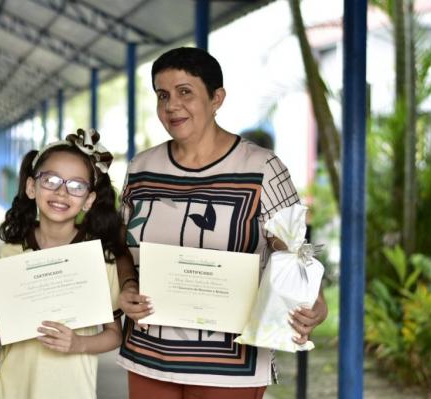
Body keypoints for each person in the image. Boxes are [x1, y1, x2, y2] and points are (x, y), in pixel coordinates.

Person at [116, 47, 328, 398]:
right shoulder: (142, 168)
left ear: (217, 98)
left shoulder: (262, 167)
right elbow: (122, 245)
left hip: (231, 363)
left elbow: (294, 251)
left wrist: (314, 300)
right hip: (148, 351)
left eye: (186, 92)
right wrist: (126, 284)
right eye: (162, 95)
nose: (172, 106)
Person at [0, 129, 126, 399]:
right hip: (11, 388)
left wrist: (79, 343)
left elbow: (114, 335)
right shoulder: (11, 251)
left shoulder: (100, 259)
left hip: (71, 390)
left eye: (76, 185)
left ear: (89, 199)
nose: (62, 192)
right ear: (31, 187)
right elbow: (14, 317)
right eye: (51, 180)